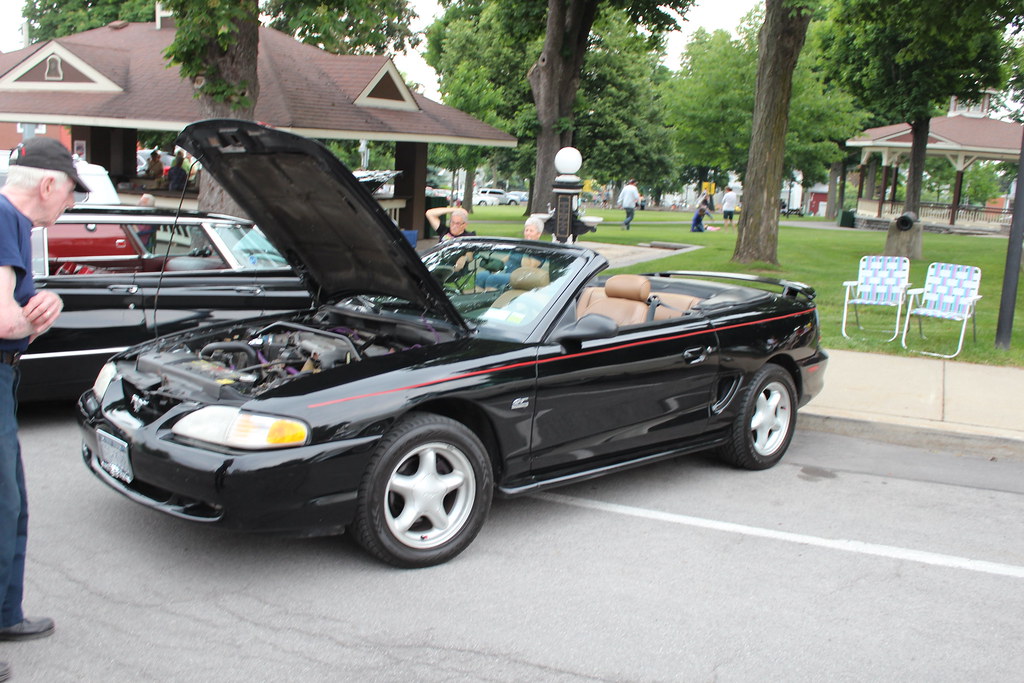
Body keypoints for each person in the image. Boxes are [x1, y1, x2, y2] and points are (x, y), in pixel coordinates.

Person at [0, 138, 76, 676]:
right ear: (47, 184)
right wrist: (39, 317)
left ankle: (6, 613)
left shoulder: (11, 225)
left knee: (13, 504)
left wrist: (48, 298)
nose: (68, 207)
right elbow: (3, 321)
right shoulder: (6, 218)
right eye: (70, 194)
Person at [475, 217, 547, 291]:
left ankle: (491, 301)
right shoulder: (520, 245)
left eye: (531, 231)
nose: (527, 233)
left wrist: (526, 249)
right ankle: (477, 301)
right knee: (481, 276)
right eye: (526, 230)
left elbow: (527, 267)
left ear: (538, 234)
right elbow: (508, 257)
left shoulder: (539, 249)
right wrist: (494, 265)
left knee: (493, 279)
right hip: (506, 272)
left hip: (521, 277)